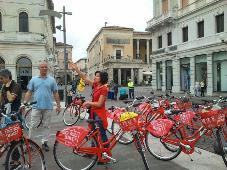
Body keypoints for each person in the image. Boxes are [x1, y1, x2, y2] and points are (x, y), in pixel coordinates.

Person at [69, 62, 109, 162]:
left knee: (102, 135)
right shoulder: (96, 85)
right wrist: (77, 69)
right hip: (93, 113)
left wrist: (88, 103)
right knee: (93, 133)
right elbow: (85, 78)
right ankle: (93, 152)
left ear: (102, 78)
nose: (95, 77)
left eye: (97, 76)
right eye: (95, 75)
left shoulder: (104, 88)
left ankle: (106, 155)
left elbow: (100, 104)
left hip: (99, 114)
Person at [23, 61, 61, 152]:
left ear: (47, 68)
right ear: (39, 68)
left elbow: (55, 92)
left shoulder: (52, 80)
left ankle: (45, 143)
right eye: (42, 67)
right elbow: (29, 92)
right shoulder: (34, 79)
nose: (44, 68)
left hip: (48, 107)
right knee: (33, 125)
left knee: (46, 126)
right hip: (36, 106)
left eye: (45, 67)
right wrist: (25, 102)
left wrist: (58, 105)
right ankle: (30, 143)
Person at [0, 69, 22, 168]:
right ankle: (12, 158)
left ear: (7, 77)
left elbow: (10, 98)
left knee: (14, 138)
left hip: (14, 115)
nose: (0, 80)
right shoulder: (3, 87)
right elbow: (2, 100)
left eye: (2, 78)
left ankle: (16, 161)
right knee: (7, 138)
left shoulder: (16, 86)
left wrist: (8, 88)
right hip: (6, 115)